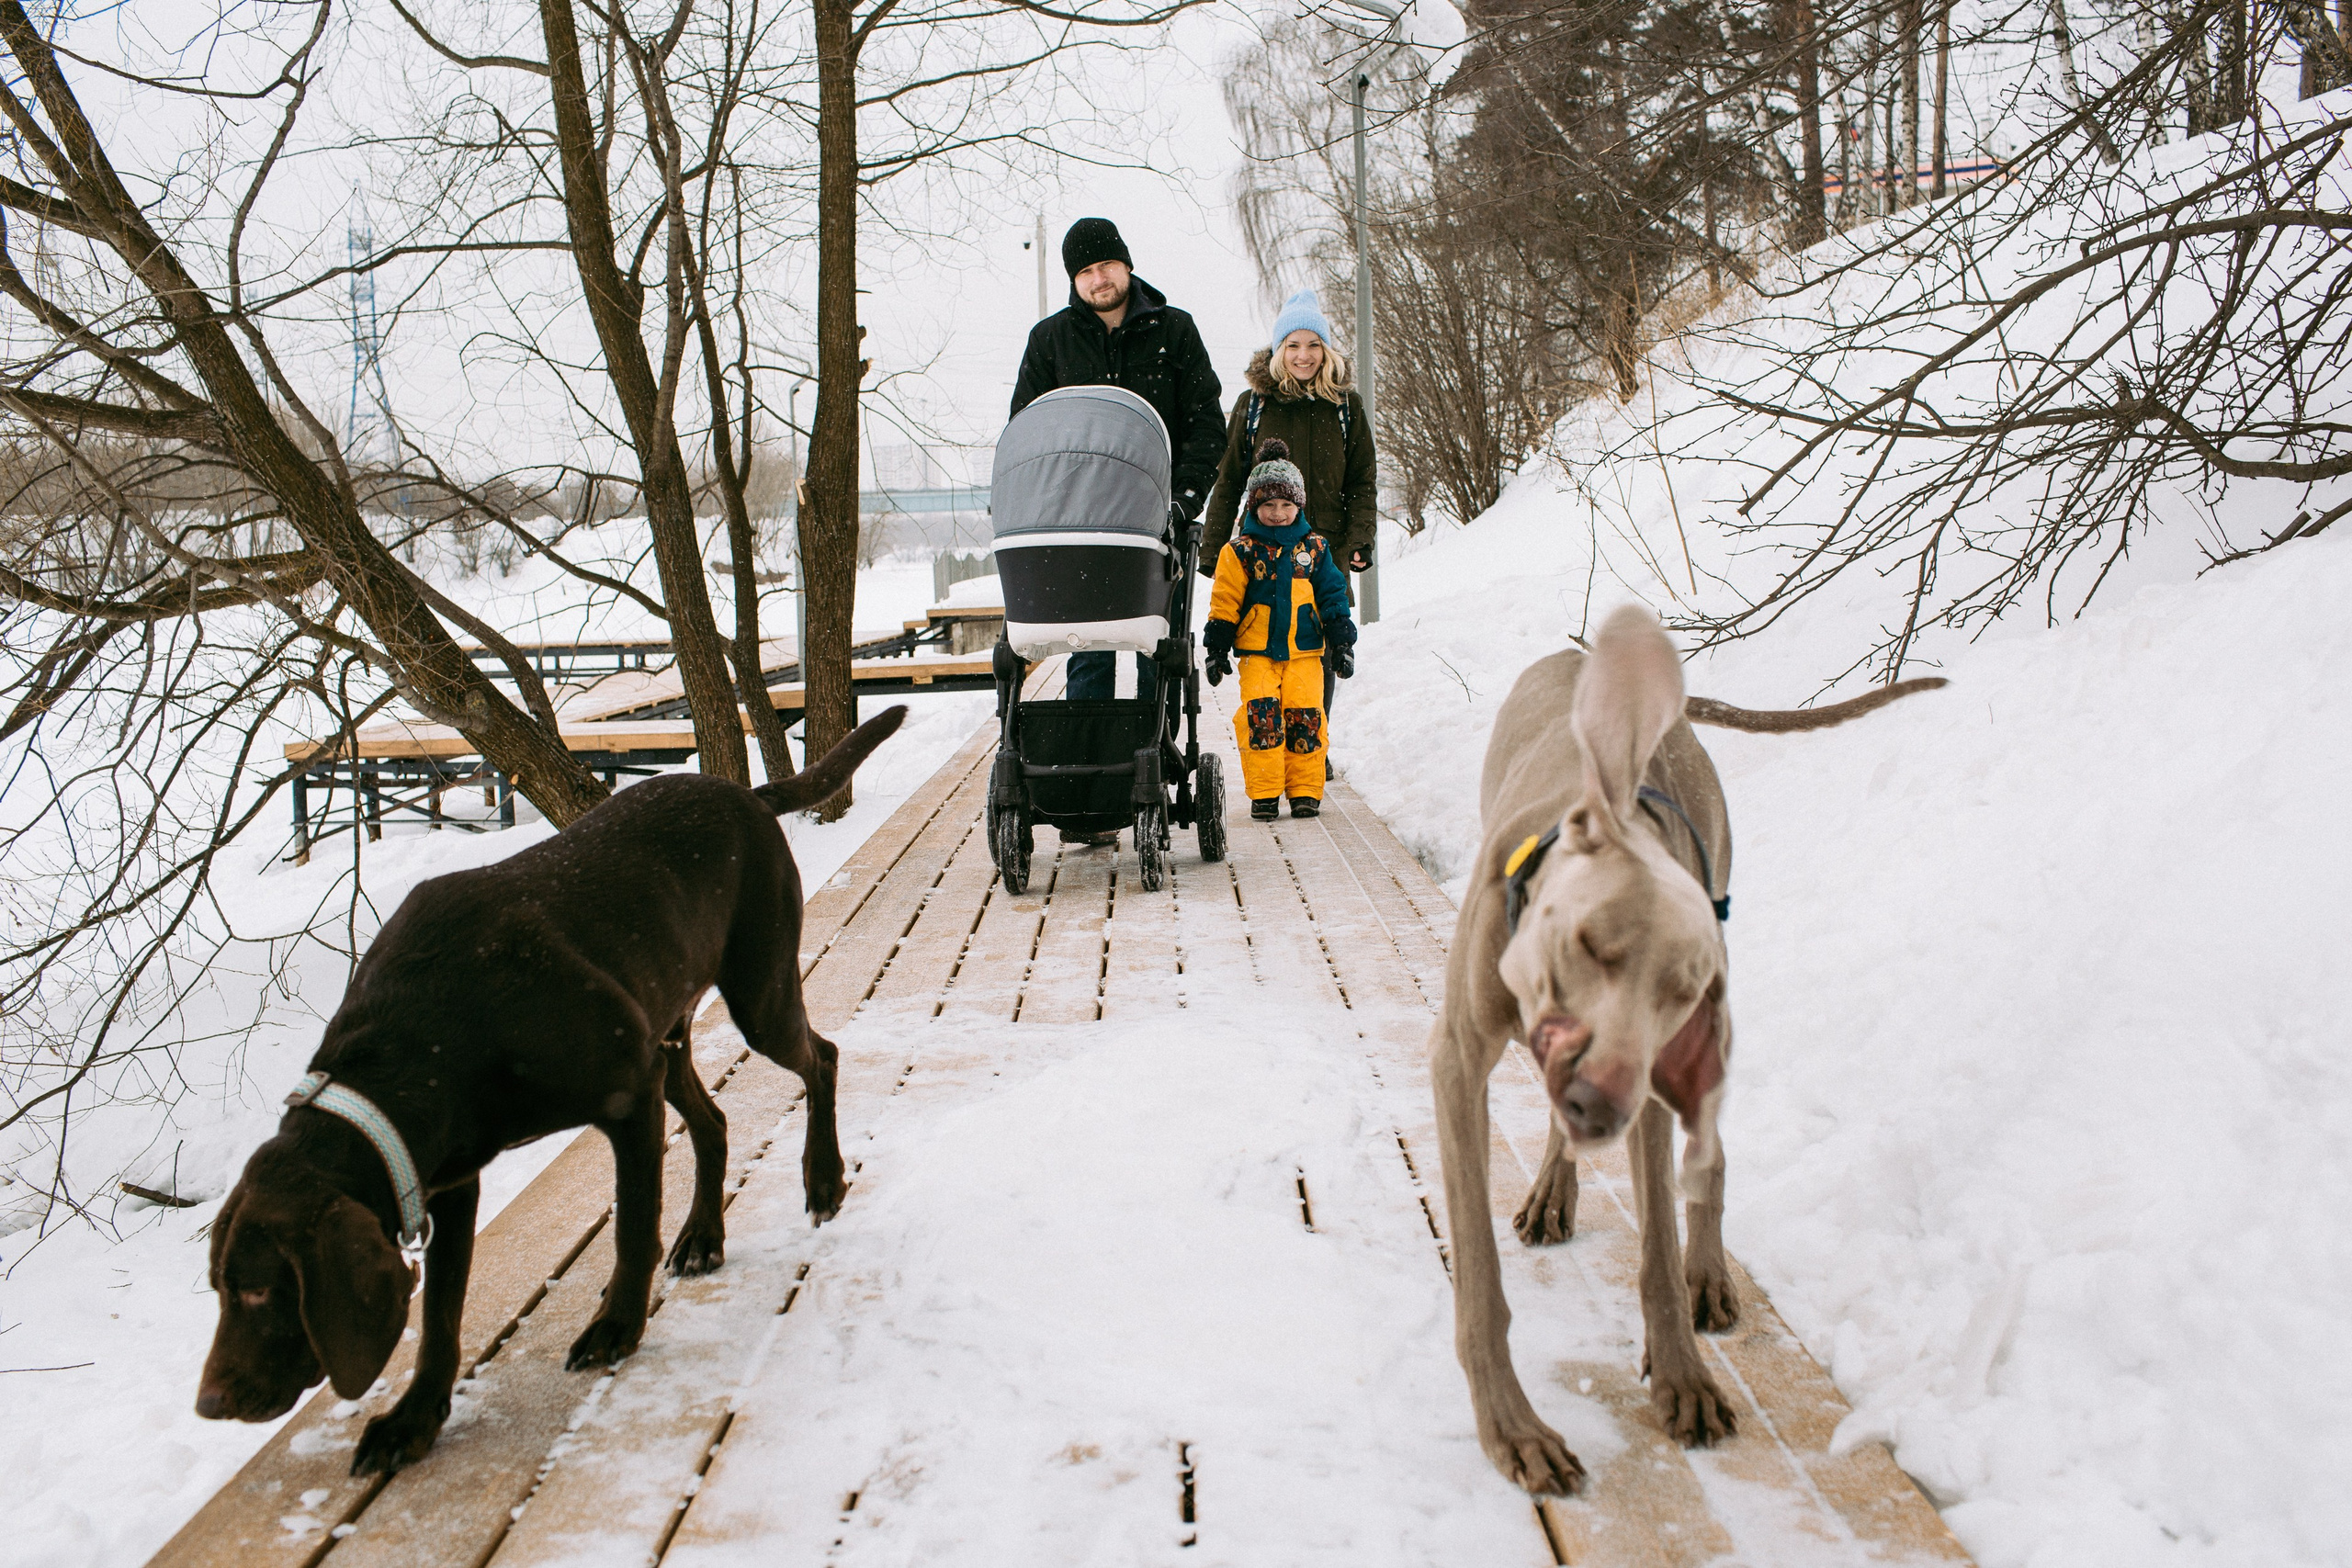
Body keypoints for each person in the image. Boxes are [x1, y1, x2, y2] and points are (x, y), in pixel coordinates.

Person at [1010, 218, 1225, 710]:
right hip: (1081, 522)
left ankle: (1156, 749)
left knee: (1159, 651)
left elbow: (1207, 424)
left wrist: (1186, 498)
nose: (1098, 278)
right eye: (1085, 271)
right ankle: (1089, 747)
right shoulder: (1050, 341)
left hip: (1160, 517)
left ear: (1126, 264)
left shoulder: (1175, 330)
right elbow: (1027, 432)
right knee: (1087, 649)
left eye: (1106, 264)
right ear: (1074, 279)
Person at [1201, 289, 1376, 736]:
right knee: (1265, 645)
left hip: (1325, 547)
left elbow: (1361, 481)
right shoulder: (1254, 405)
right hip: (1261, 547)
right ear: (1279, 350)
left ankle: (1313, 749)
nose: (1304, 355)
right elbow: (1229, 480)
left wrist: (1360, 540)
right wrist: (1213, 549)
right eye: (1294, 345)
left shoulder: (1346, 407)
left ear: (1326, 350)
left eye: (1314, 345)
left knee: (1320, 650)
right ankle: (1270, 745)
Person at [1201, 440, 1356, 821]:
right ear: (1253, 506)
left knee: (1306, 718)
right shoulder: (1240, 551)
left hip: (1305, 654)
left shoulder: (1315, 549)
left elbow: (1333, 596)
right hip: (1258, 654)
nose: (1277, 513)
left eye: (1286, 504)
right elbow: (1225, 601)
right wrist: (1217, 649)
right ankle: (1266, 793)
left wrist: (1341, 642)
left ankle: (1304, 791)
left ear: (1299, 505)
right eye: (1268, 504)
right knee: (1261, 719)